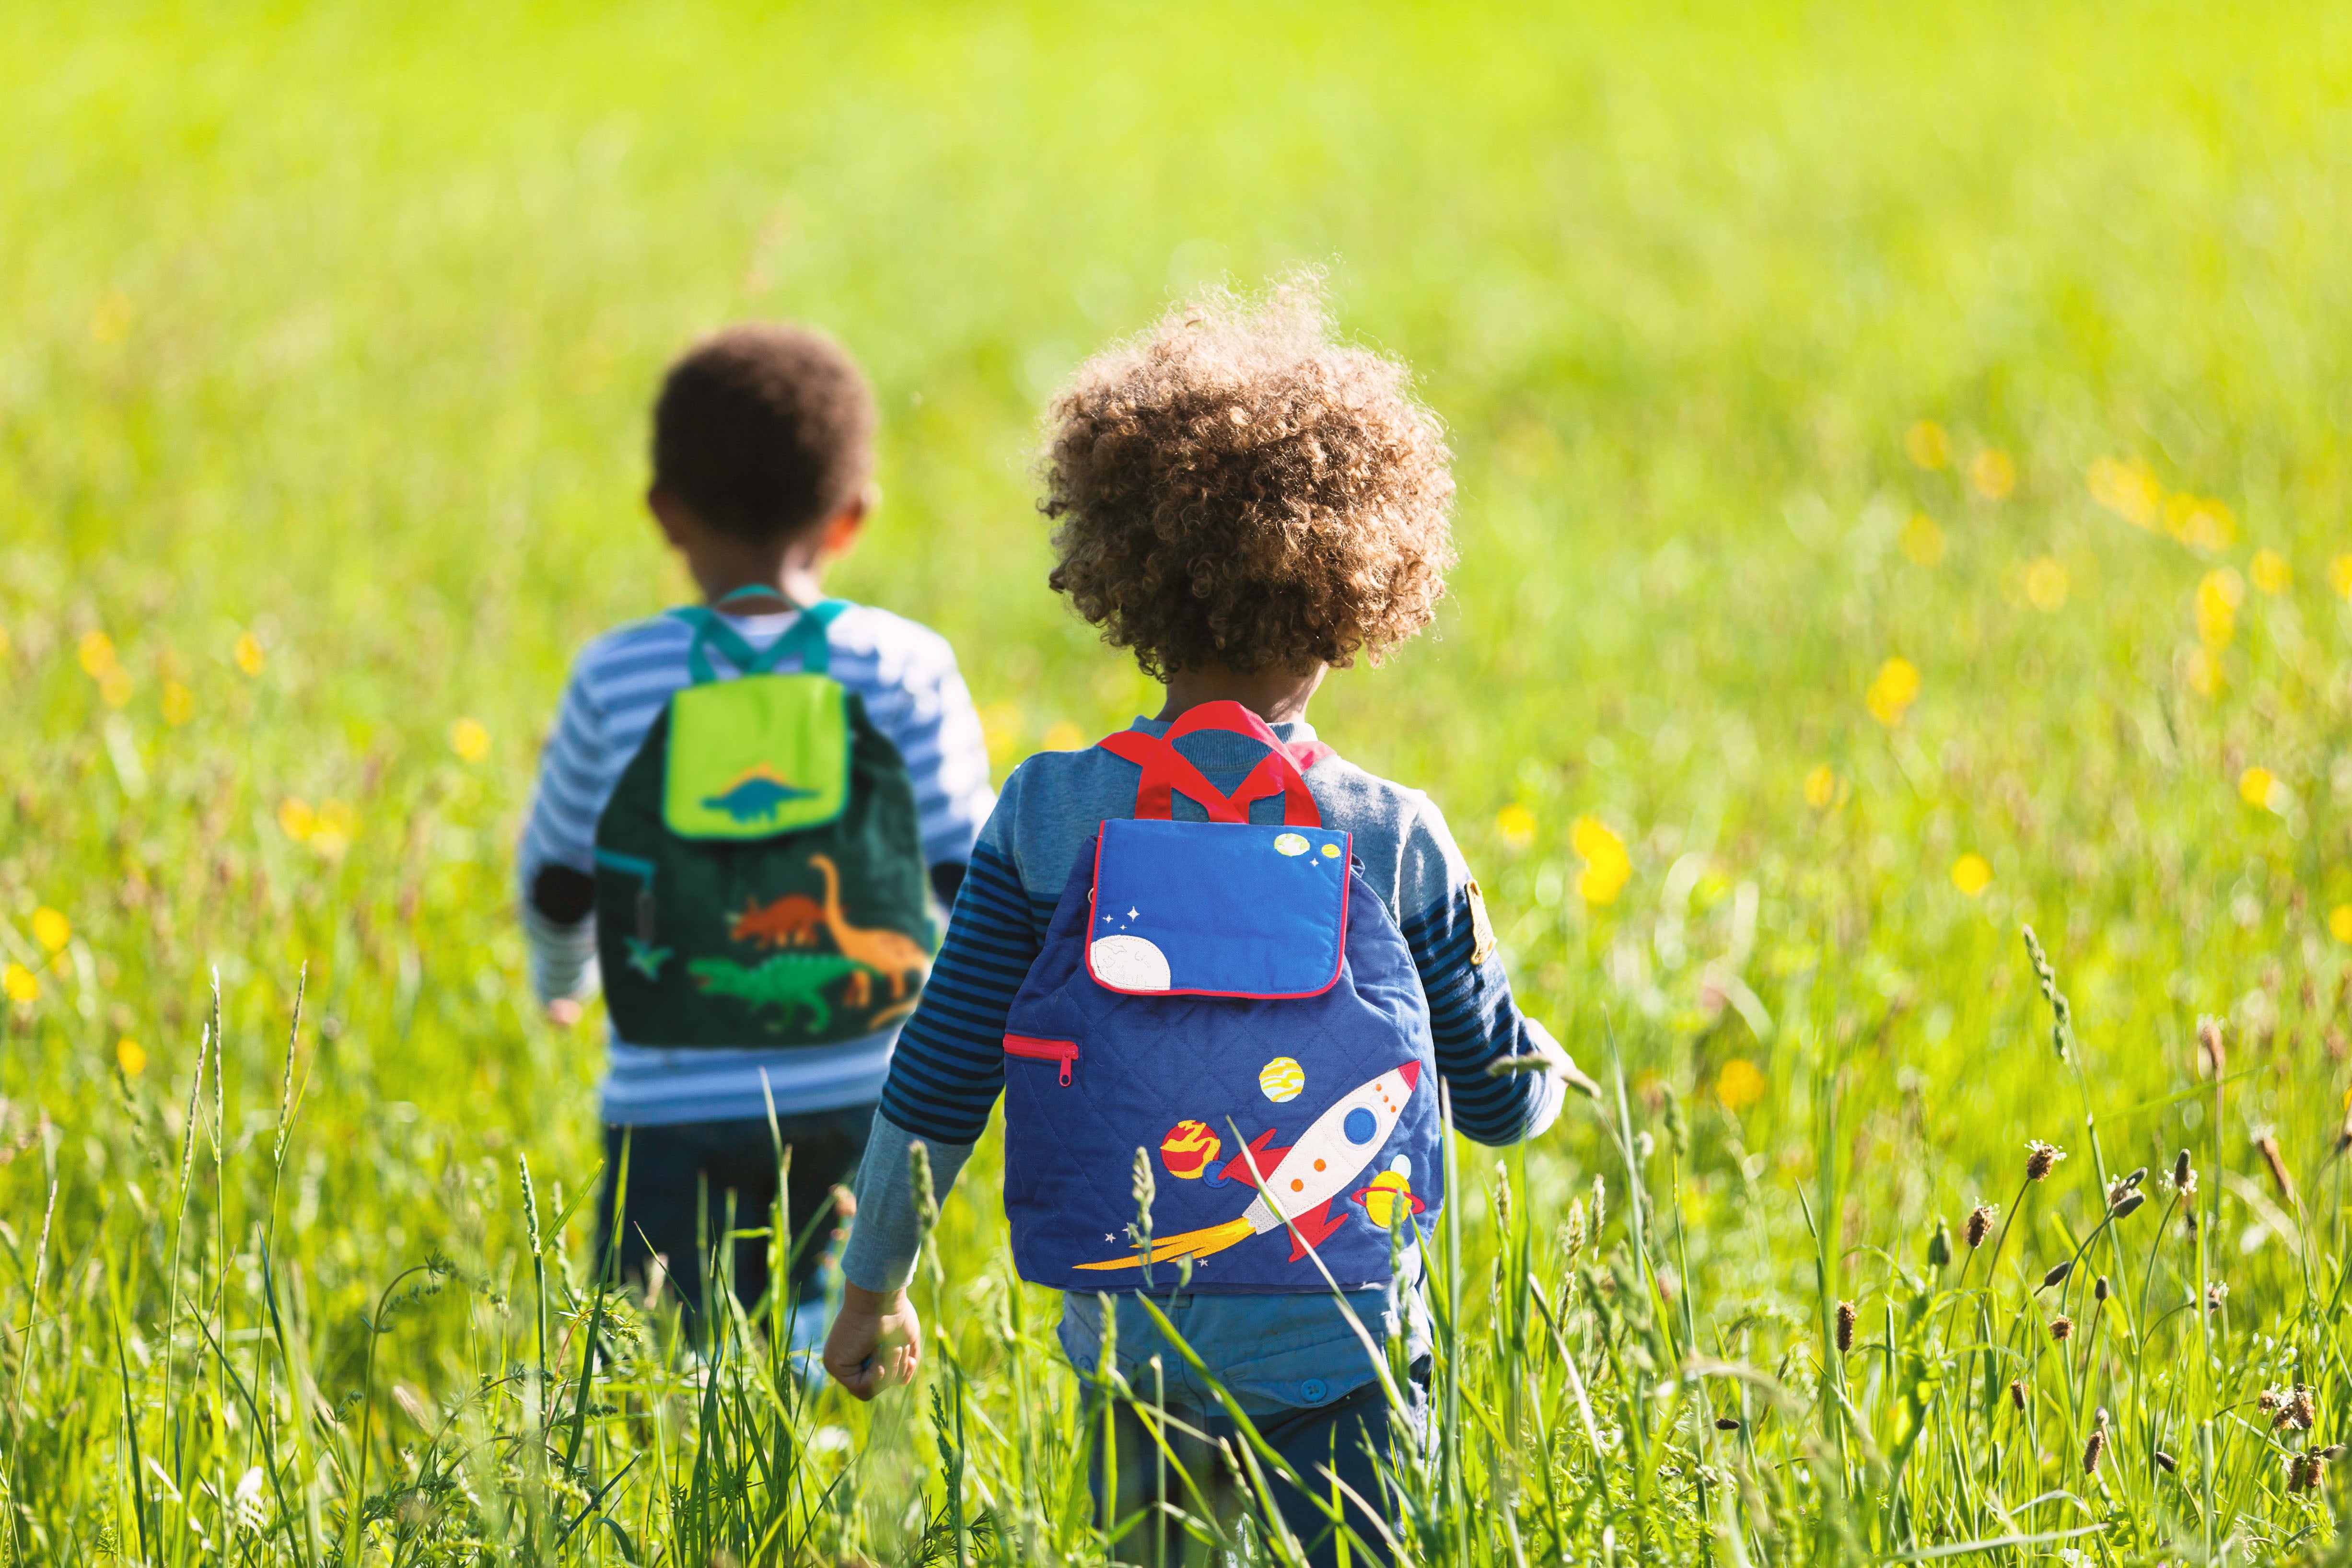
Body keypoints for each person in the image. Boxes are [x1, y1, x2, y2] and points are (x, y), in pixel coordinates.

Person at [823, 281, 1596, 1564]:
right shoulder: (1389, 832)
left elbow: (940, 1081)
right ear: (1359, 595)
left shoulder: (1051, 817)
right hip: (1336, 1334)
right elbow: (1500, 1099)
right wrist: (1555, 1075)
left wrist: (873, 1289)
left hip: (1135, 1329)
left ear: (1130, 579)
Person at [518, 324, 994, 1349]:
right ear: (850, 518)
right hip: (867, 1088)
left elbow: (559, 877)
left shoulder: (618, 678)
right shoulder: (903, 666)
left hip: (668, 1096)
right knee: (851, 1347)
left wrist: (562, 979)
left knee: (666, 1368)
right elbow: (968, 873)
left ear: (664, 513)